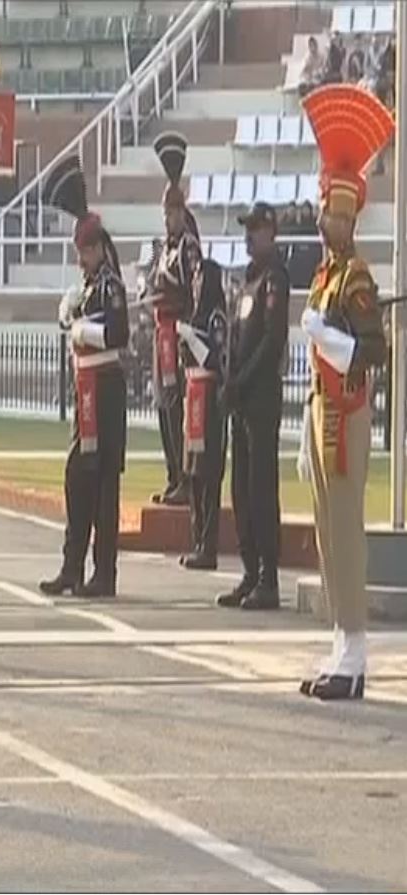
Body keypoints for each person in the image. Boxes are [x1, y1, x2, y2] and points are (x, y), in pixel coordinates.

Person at [296, 84, 391, 701]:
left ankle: (355, 652)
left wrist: (328, 337)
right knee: (326, 531)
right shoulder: (326, 273)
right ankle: (338, 641)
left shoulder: (355, 279)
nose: (321, 217)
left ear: (346, 216)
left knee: (347, 531)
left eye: (329, 210)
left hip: (348, 412)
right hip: (320, 407)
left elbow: (373, 352)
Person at [37, 156, 129, 598]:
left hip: (105, 395)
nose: (80, 260)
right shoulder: (92, 286)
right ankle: (73, 566)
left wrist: (81, 328)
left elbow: (117, 332)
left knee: (102, 483)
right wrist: (71, 313)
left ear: (96, 249)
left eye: (84, 251)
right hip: (88, 393)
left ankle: (102, 570)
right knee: (80, 479)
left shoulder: (110, 285)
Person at [215, 202, 290, 609]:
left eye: (256, 229)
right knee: (241, 488)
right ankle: (249, 571)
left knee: (262, 489)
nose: (248, 236)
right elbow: (239, 334)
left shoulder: (274, 279)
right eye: (246, 229)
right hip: (242, 398)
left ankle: (269, 577)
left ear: (271, 232)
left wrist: (240, 382)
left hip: (260, 398)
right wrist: (229, 377)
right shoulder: (249, 280)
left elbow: (271, 341)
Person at [149, 132, 201, 507]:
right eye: (166, 213)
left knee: (178, 407)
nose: (168, 219)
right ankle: (172, 474)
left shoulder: (187, 247)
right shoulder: (163, 249)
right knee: (163, 406)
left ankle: (185, 477)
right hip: (159, 332)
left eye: (173, 212)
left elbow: (195, 291)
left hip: (177, 334)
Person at [176, 257, 228, 571]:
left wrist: (191, 339)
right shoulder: (194, 314)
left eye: (199, 277)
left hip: (210, 396)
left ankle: (208, 545)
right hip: (193, 392)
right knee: (193, 473)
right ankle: (197, 541)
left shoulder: (215, 318)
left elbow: (215, 360)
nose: (194, 283)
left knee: (208, 474)